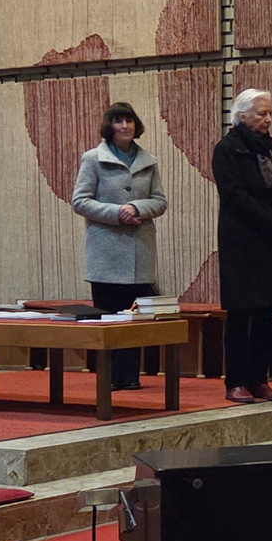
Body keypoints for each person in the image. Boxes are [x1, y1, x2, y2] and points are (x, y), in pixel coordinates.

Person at [212, 88, 272, 403]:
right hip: (244, 242)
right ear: (242, 115)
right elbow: (235, 196)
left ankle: (259, 379)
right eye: (261, 113)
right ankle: (236, 381)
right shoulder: (227, 149)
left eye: (269, 113)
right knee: (241, 315)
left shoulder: (271, 148)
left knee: (267, 314)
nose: (268, 119)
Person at [72, 102, 168, 390]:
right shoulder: (93, 159)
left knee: (134, 319)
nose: (125, 126)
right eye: (118, 121)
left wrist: (137, 208)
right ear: (109, 127)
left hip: (140, 253)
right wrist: (117, 213)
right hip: (107, 254)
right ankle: (111, 377)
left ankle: (130, 376)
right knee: (108, 319)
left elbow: (160, 201)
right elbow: (80, 201)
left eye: (129, 121)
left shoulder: (149, 161)